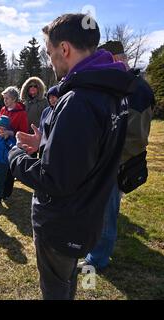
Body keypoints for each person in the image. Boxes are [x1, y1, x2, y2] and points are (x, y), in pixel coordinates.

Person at [9, 13, 135, 300]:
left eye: (50, 52)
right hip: (89, 216)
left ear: (64, 49)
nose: (50, 60)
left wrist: (16, 155)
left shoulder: (78, 100)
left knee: (56, 288)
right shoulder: (113, 91)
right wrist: (48, 142)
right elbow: (92, 150)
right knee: (68, 281)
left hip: (62, 222)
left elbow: (55, 180)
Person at [79, 40, 155, 272]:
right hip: (104, 161)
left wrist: (107, 159)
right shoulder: (120, 85)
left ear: (116, 59)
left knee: (106, 212)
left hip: (114, 165)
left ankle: (98, 259)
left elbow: (135, 138)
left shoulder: (137, 90)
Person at [0, 86, 28, 200]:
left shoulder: (21, 112)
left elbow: (23, 131)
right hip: (0, 143)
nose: (5, 100)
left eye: (7, 98)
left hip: (12, 144)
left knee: (9, 169)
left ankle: (7, 193)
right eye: (4, 98)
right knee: (0, 167)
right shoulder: (2, 109)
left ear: (14, 99)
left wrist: (10, 132)